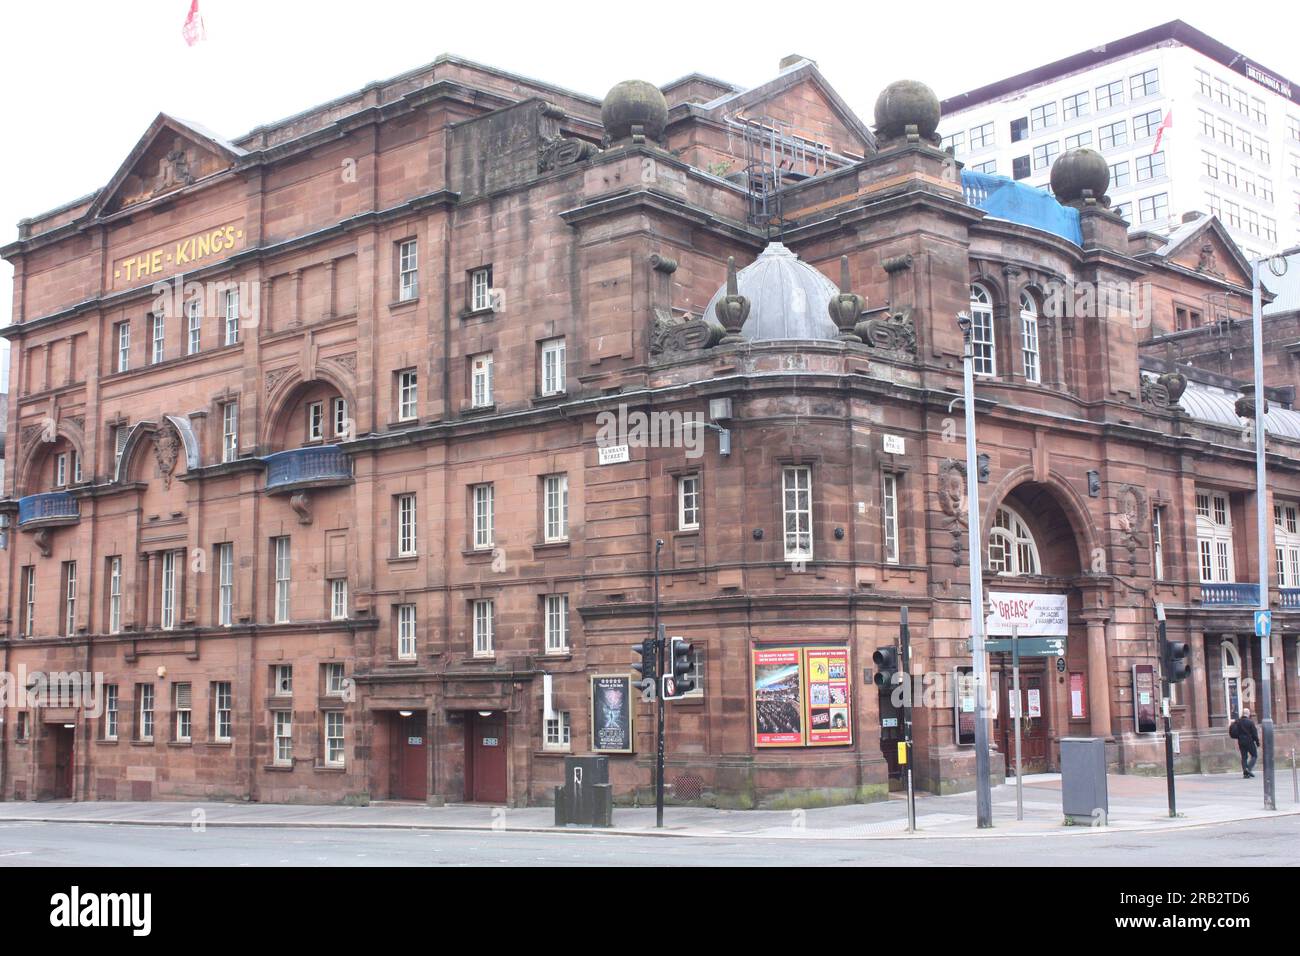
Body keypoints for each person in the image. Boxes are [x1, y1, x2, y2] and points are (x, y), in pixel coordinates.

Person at [1231, 708, 1260, 778]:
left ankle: (1245, 773)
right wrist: (1257, 742)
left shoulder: (1237, 722)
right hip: (1249, 741)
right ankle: (1248, 769)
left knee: (1244, 757)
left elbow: (1234, 730)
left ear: (1242, 713)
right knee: (1254, 755)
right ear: (1248, 714)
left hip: (1241, 741)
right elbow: (1254, 734)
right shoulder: (1250, 722)